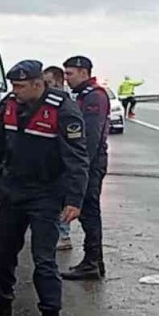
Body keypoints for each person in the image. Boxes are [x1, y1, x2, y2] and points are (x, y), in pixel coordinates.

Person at [0, 60, 88, 316]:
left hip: (46, 194)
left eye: (21, 86)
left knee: (43, 261)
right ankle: (2, 313)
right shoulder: (10, 105)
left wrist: (75, 200)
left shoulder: (62, 109)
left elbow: (77, 158)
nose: (16, 91)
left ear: (39, 83)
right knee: (0, 256)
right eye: (14, 86)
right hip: (14, 190)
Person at [61, 56, 111, 281]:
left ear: (83, 72)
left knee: (89, 212)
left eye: (69, 74)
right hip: (86, 162)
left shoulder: (94, 96)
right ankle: (94, 261)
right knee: (88, 213)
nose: (66, 78)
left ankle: (92, 262)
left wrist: (80, 167)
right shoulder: (82, 95)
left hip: (90, 162)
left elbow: (90, 135)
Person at [44, 66, 74, 251]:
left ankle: (63, 235)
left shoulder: (65, 104)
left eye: (50, 83)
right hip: (52, 162)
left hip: (64, 162)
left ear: (58, 83)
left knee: (62, 200)